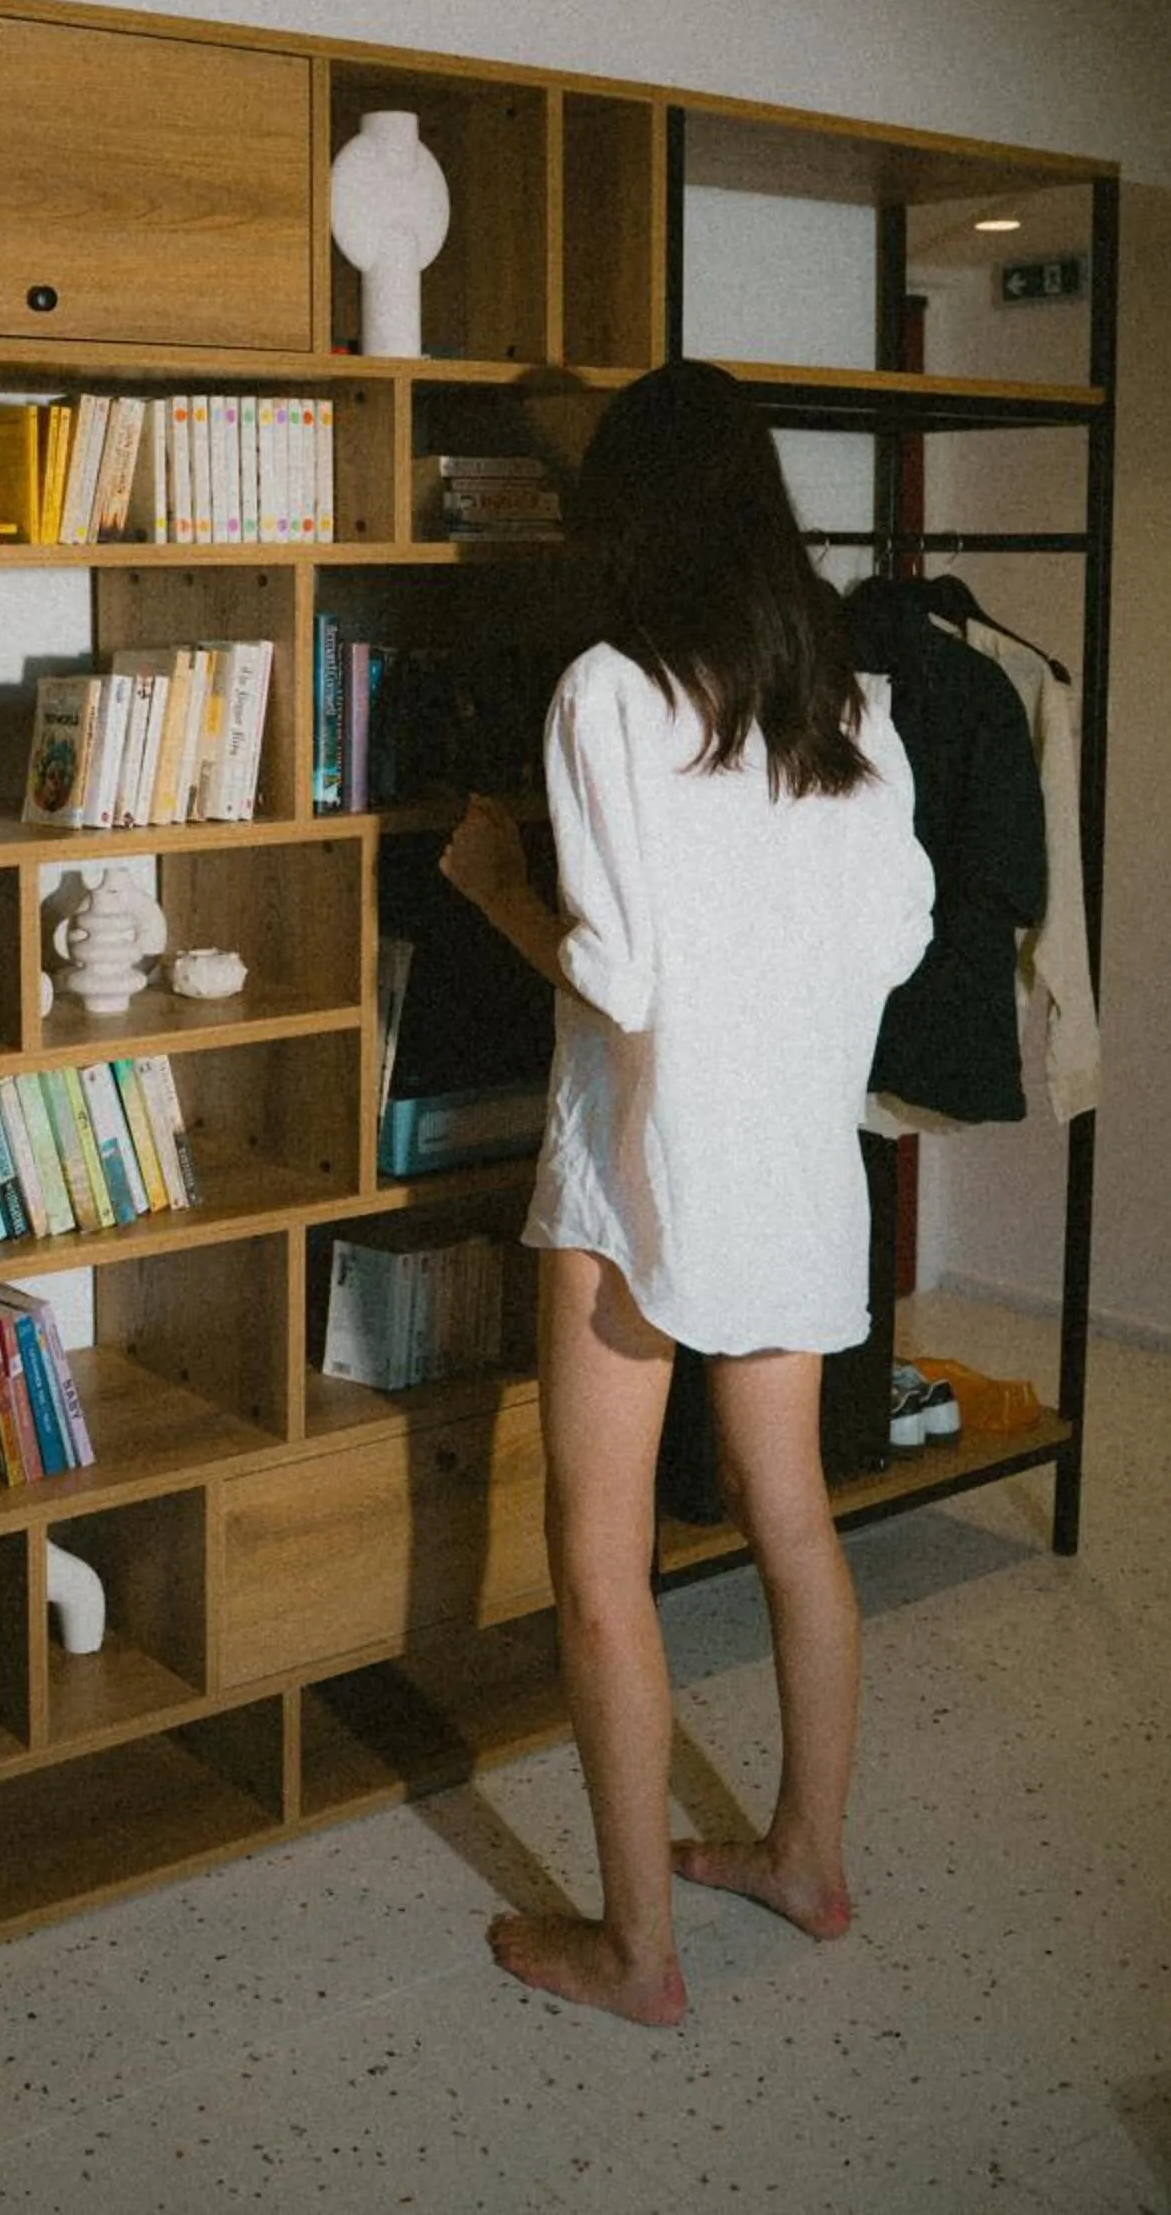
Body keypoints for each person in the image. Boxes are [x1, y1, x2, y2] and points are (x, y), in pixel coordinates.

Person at [440, 360, 934, 2026]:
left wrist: (495, 887)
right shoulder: (849, 705)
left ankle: (634, 1952)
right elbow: (900, 940)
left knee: (600, 1556)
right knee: (790, 1517)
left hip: (636, 1177)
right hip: (794, 1164)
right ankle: (804, 1859)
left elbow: (620, 976)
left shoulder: (606, 690)